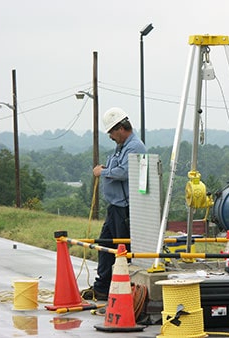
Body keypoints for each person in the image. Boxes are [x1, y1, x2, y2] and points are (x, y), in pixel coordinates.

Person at [81, 107, 147, 301]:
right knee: (105, 245)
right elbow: (116, 167)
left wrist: (103, 171)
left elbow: (125, 172)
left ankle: (123, 290)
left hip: (125, 208)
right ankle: (102, 287)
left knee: (121, 249)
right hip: (115, 207)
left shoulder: (135, 147)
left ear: (120, 128)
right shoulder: (123, 146)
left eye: (111, 132)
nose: (110, 136)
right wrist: (107, 168)